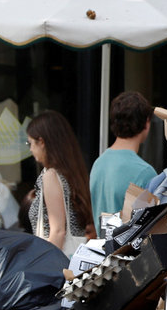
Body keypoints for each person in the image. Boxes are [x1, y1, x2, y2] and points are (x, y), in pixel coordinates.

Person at [27, 110, 95, 252]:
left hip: (56, 261)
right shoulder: (74, 173)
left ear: (42, 142)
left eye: (31, 143)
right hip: (75, 259)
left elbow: (58, 231)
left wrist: (43, 263)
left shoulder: (51, 176)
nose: (31, 150)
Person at [90, 91, 156, 232]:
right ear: (146, 123)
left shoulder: (98, 163)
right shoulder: (145, 172)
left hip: (100, 249)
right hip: (129, 252)